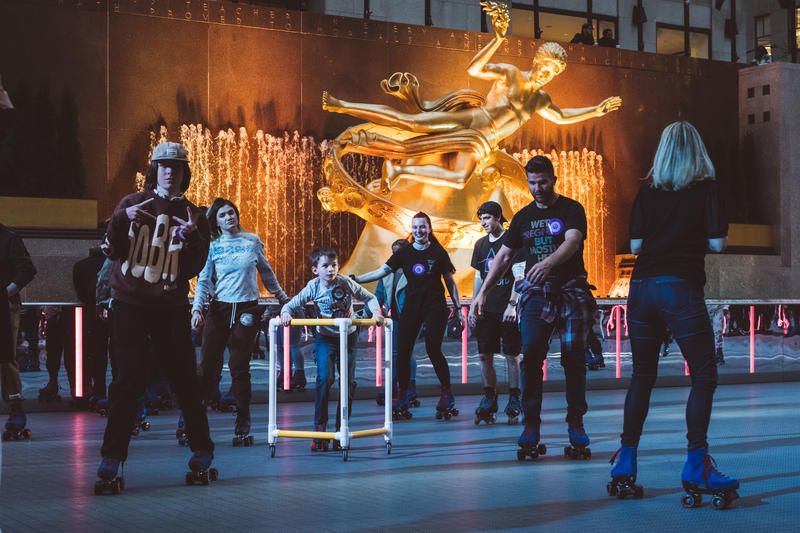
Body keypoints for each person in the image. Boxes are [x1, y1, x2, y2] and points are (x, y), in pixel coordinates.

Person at [323, 3, 620, 190]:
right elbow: (474, 68)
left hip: (483, 142)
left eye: (553, 72)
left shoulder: (540, 100)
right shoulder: (511, 73)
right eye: (546, 67)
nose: (547, 74)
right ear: (537, 61)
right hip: (473, 119)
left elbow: (561, 116)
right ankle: (342, 106)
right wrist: (497, 39)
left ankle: (400, 169)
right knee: (412, 123)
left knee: (459, 179)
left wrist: (596, 110)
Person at [607, 121, 739, 506]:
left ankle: (626, 460)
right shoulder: (707, 189)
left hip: (643, 288)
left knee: (642, 376)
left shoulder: (648, 190)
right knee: (703, 374)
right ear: (698, 151)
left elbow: (635, 243)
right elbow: (716, 244)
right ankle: (697, 463)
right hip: (679, 286)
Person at [95, 141, 216, 492]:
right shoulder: (131, 204)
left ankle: (202, 449)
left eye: (175, 166)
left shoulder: (194, 215)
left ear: (184, 173)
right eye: (163, 165)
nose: (169, 171)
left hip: (169, 307)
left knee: (185, 381)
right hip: (130, 304)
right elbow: (113, 250)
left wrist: (193, 240)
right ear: (154, 170)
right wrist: (121, 219)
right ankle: (112, 458)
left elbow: (194, 268)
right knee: (126, 381)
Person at [471, 155, 596, 460]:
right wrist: (482, 293)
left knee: (574, 361)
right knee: (530, 358)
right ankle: (531, 426)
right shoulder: (523, 218)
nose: (537, 188)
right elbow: (501, 257)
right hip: (536, 297)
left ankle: (575, 422)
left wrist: (548, 262)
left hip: (570, 293)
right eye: (532, 183)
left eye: (543, 182)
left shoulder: (571, 209)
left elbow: (572, 241)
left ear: (553, 180)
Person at [192, 197, 290, 446]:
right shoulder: (212, 245)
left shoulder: (252, 241)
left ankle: (243, 420)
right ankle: (191, 421)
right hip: (219, 308)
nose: (229, 217)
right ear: (215, 221)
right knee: (207, 365)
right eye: (223, 215)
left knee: (239, 366)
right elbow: (204, 280)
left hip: (247, 308)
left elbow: (266, 272)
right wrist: (197, 309)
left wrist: (283, 298)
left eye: (232, 213)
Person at [353, 212, 463, 421]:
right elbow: (381, 271)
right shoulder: (404, 253)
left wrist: (458, 309)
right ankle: (402, 395)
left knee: (433, 349)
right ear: (411, 230)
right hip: (411, 308)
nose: (419, 231)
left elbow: (450, 281)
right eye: (415, 227)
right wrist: (356, 279)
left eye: (423, 227)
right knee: (402, 352)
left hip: (435, 307)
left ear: (429, 228)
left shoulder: (438, 252)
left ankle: (446, 393)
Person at [280, 247, 382, 451]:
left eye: (334, 265)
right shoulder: (313, 287)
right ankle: (320, 430)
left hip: (348, 337)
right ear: (315, 270)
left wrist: (377, 313)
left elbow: (370, 297)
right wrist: (285, 314)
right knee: (324, 379)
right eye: (325, 266)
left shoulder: (345, 282)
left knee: (348, 383)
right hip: (325, 339)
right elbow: (289, 305)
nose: (330, 270)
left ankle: (341, 428)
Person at [468, 201, 525, 425]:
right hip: (487, 309)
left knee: (512, 356)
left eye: (488, 218)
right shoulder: (480, 245)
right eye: (481, 218)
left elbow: (519, 274)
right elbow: (479, 277)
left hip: (507, 307)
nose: (484, 222)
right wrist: (473, 304)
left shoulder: (512, 241)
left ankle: (514, 399)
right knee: (484, 355)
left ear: (498, 217)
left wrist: (513, 304)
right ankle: (489, 397)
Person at [0, 222, 36, 440]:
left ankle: (15, 406)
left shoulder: (9, 238)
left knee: (6, 356)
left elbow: (27, 271)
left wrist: (5, 294)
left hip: (5, 305)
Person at [374, 239, 418, 406]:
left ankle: (408, 387)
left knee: (406, 353)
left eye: (398, 252)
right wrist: (377, 308)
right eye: (393, 252)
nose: (395, 255)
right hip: (394, 319)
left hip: (411, 317)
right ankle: (393, 386)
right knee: (393, 353)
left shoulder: (414, 270)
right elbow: (378, 294)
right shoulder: (387, 272)